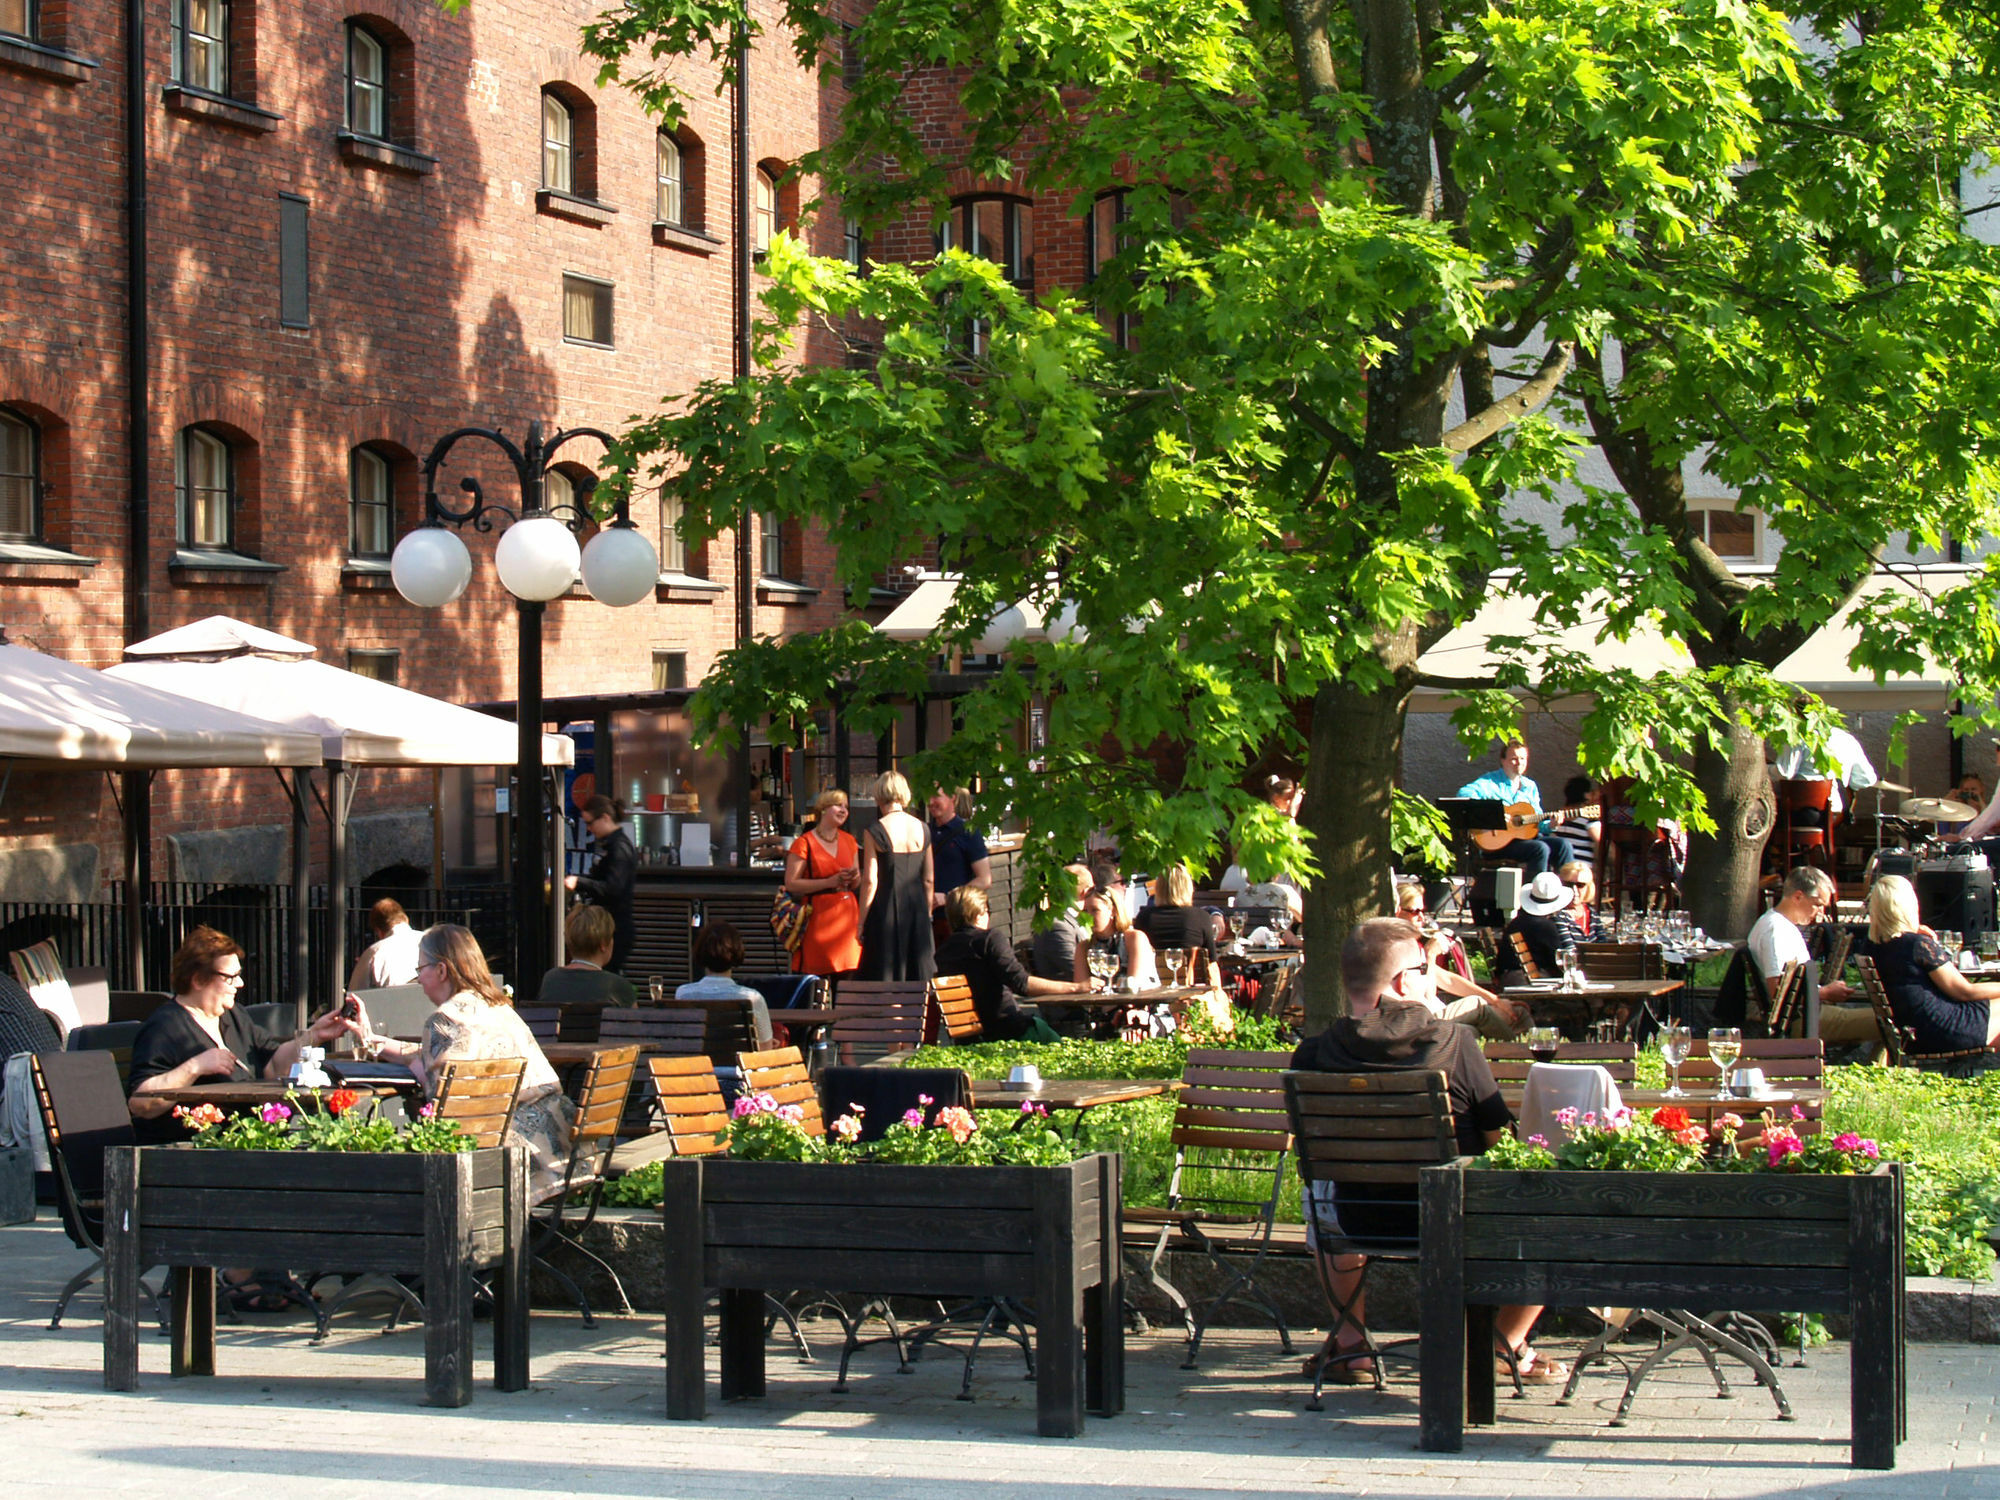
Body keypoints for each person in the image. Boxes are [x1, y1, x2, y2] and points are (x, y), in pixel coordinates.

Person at [1290, 917, 1561, 1385]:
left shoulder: (1311, 1055)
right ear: (1403, 980)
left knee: (1319, 1200)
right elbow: (1500, 1143)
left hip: (1357, 1218)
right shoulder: (1455, 1043)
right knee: (1563, 1204)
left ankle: (1351, 1347)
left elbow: (1314, 1159)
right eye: (1425, 966)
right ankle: (1499, 1346)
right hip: (1453, 1219)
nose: (1431, 975)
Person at [354, 924, 575, 1202]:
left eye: (420, 969)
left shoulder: (445, 1020)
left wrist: (418, 1071)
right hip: (561, 1152)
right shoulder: (497, 1007)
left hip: (510, 1160)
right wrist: (369, 1038)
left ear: (442, 970)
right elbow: (432, 1054)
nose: (419, 979)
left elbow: (443, 1108)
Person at [127, 925, 357, 1145]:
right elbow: (140, 1103)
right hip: (190, 1149)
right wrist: (194, 1067)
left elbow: (272, 1065)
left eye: (239, 974)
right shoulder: (164, 1028)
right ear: (198, 980)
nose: (240, 983)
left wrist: (314, 1035)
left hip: (246, 1139)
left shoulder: (233, 1014)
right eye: (230, 977)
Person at [1863, 874, 2000, 1065]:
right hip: (1941, 1030)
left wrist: (1928, 941)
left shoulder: (1873, 947)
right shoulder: (1916, 945)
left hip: (1913, 1033)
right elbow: (1964, 992)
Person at [934, 886, 1092, 1042]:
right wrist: (1076, 988)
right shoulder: (989, 939)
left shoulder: (943, 952)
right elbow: (1021, 983)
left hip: (969, 1040)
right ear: (979, 914)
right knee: (1054, 1040)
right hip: (1009, 1031)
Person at [1746, 866, 1878, 1044]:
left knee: (1888, 1020)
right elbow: (1777, 992)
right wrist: (1824, 993)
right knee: (1888, 1021)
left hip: (1803, 1013)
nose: (1821, 913)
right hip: (1802, 1020)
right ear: (1798, 896)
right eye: (1818, 905)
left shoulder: (1775, 924)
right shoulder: (1776, 931)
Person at [856, 770, 935, 981]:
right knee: (917, 973)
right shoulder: (923, 828)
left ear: (879, 795)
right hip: (917, 906)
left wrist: (861, 922)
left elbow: (870, 881)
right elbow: (928, 879)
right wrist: (927, 914)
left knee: (883, 974)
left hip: (886, 909)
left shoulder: (875, 830)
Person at [1458, 741, 1572, 879]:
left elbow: (1538, 823)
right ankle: (1533, 895)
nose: (1519, 762)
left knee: (1563, 845)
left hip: (1525, 839)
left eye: (1523, 758)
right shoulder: (1491, 782)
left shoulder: (1530, 786)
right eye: (1514, 759)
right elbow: (1464, 793)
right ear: (1503, 760)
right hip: (1497, 843)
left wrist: (1551, 825)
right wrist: (1495, 813)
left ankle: (1568, 890)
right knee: (1540, 849)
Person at [785, 789, 863, 977]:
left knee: (846, 978)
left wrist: (853, 878)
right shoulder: (804, 843)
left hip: (847, 918)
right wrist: (828, 882)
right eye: (838, 805)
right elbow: (791, 883)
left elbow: (856, 882)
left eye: (846, 806)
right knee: (815, 977)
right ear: (823, 809)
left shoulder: (850, 841)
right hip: (818, 919)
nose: (843, 810)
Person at [566, 795, 637, 974]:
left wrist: (579, 882)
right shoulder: (612, 845)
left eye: (590, 823)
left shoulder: (619, 848)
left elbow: (613, 888)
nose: (589, 829)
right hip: (611, 925)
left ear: (605, 818)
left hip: (614, 926)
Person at [675, 920, 774, 1047]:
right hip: (739, 1066)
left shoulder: (683, 994)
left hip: (697, 1066)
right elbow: (766, 1049)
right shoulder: (753, 998)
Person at [1032, 864, 1097, 1035]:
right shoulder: (1058, 926)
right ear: (1086, 892)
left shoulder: (1067, 920)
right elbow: (1075, 969)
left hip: (1079, 1006)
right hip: (1070, 1012)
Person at [1773, 718, 1878, 824]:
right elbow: (1866, 779)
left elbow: (1784, 773)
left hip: (1801, 813)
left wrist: (1765, 769)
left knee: (1766, 813)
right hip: (1836, 813)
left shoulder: (1797, 737)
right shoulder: (1848, 739)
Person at [1130, 864, 1220, 981]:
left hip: (1154, 988)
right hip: (1192, 988)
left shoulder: (1144, 917)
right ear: (1188, 887)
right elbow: (1211, 961)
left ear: (1159, 888)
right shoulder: (1201, 917)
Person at [538, 904, 637, 1008]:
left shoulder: (550, 980)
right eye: (612, 936)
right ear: (603, 944)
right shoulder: (618, 987)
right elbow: (635, 1023)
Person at [927, 785, 991, 924]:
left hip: (960, 918)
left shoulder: (968, 832)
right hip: (928, 919)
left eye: (936, 796)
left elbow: (984, 880)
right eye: (929, 797)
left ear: (952, 798)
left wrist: (948, 897)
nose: (930, 802)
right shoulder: (924, 831)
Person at [1500, 871, 1571, 977]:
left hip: (1509, 976)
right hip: (1529, 980)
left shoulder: (1516, 923)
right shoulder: (1546, 927)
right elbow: (1557, 961)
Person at [349, 897, 421, 990]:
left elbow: (355, 995)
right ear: (405, 919)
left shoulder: (374, 952)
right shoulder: (431, 941)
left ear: (378, 931)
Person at [1548, 778, 1600, 876]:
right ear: (1585, 795)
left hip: (1559, 870)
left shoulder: (1557, 816)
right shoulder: (1589, 818)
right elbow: (1600, 843)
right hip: (1582, 870)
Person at [1556, 861, 1596, 945]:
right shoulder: (1558, 914)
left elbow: (1603, 944)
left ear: (1588, 887)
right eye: (1568, 884)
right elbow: (1569, 949)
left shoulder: (1591, 913)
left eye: (1580, 885)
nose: (1574, 890)